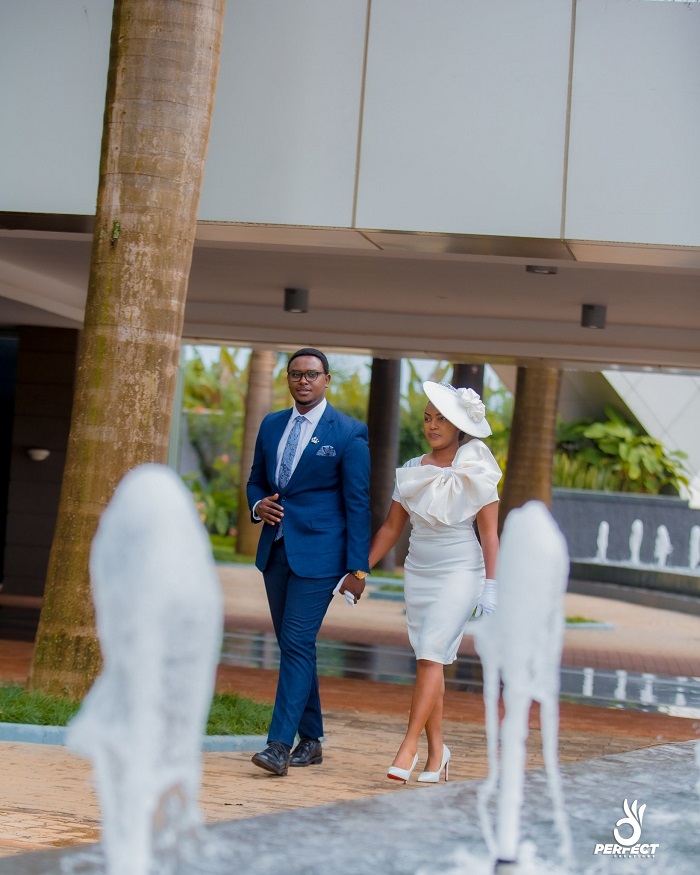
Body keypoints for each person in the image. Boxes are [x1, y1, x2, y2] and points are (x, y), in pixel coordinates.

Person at [368, 381, 501, 784]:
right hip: (419, 572)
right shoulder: (413, 467)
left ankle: (407, 747)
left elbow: (490, 534)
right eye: (427, 418)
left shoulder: (477, 466)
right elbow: (391, 528)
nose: (432, 426)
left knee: (430, 654)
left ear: (459, 425)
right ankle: (438, 752)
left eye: (441, 418)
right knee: (433, 659)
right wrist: (359, 569)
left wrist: (491, 584)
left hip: (461, 570)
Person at [246, 348, 371, 776]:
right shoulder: (271, 424)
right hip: (276, 550)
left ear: (327, 380)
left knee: (297, 642)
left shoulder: (348, 432)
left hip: (321, 555)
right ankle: (312, 739)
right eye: (296, 374)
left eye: (312, 374)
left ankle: (278, 746)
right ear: (288, 379)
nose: (304, 381)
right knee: (294, 645)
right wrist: (258, 505)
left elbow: (358, 503)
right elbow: (256, 480)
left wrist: (358, 569)